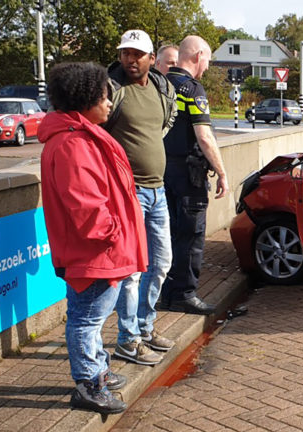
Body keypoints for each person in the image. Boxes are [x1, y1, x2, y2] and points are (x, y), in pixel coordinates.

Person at [39, 62, 148, 414]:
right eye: (103, 97)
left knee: (91, 316)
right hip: (96, 251)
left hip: (99, 250)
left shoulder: (78, 137)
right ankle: (88, 383)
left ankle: (98, 369)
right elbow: (87, 205)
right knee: (87, 319)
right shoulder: (73, 144)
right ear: (84, 99)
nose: (109, 103)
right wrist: (114, 234)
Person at [103, 29, 177, 365]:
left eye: (137, 55)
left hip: (157, 190)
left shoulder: (162, 88)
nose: (130, 60)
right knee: (131, 270)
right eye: (125, 54)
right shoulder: (111, 89)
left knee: (160, 263)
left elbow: (167, 120)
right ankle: (127, 339)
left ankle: (146, 327)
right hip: (127, 191)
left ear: (151, 58)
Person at [161, 35, 229, 314]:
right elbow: (204, 136)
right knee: (191, 236)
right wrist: (222, 172)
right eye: (208, 61)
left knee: (168, 235)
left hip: (163, 171)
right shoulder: (192, 90)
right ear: (199, 55)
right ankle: (185, 294)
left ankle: (166, 292)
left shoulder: (160, 85)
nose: (207, 67)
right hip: (189, 175)